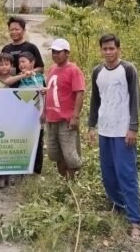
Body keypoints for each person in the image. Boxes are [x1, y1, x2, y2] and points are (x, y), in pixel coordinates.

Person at [87, 33, 140, 242]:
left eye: (112, 48)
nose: (109, 52)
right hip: (105, 130)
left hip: (123, 132)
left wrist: (133, 127)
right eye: (105, 49)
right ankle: (118, 207)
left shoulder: (128, 69)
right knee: (108, 175)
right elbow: (95, 100)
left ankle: (135, 221)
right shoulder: (97, 72)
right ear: (100, 50)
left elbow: (135, 99)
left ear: (119, 49)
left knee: (126, 175)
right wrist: (91, 125)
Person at [45, 38, 85, 180]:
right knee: (54, 152)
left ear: (67, 53)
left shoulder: (73, 70)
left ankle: (74, 180)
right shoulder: (51, 69)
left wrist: (75, 116)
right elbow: (48, 92)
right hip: (51, 118)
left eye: (58, 52)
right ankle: (64, 179)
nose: (55, 55)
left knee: (69, 152)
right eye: (53, 52)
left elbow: (79, 93)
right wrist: (44, 112)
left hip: (65, 119)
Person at [17, 52, 46, 179]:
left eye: (24, 61)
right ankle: (22, 169)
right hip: (23, 117)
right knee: (23, 142)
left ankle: (36, 171)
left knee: (38, 142)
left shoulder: (39, 77)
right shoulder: (17, 78)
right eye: (19, 62)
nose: (21, 64)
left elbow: (45, 92)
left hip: (38, 115)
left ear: (32, 63)